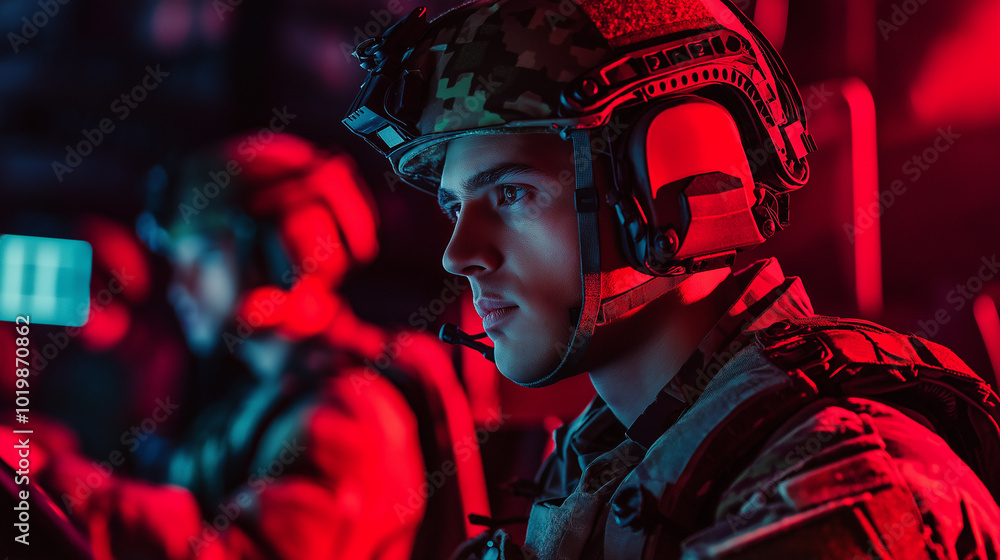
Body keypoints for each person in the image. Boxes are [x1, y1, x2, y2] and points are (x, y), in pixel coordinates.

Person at [342, 0, 1000, 557]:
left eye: (511, 193)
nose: (460, 255)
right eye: (456, 207)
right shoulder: (604, 462)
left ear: (667, 186)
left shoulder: (843, 484)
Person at [40, 132, 489, 560]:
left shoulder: (352, 413)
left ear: (283, 254)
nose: (178, 286)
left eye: (200, 256)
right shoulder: (271, 395)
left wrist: (68, 489)